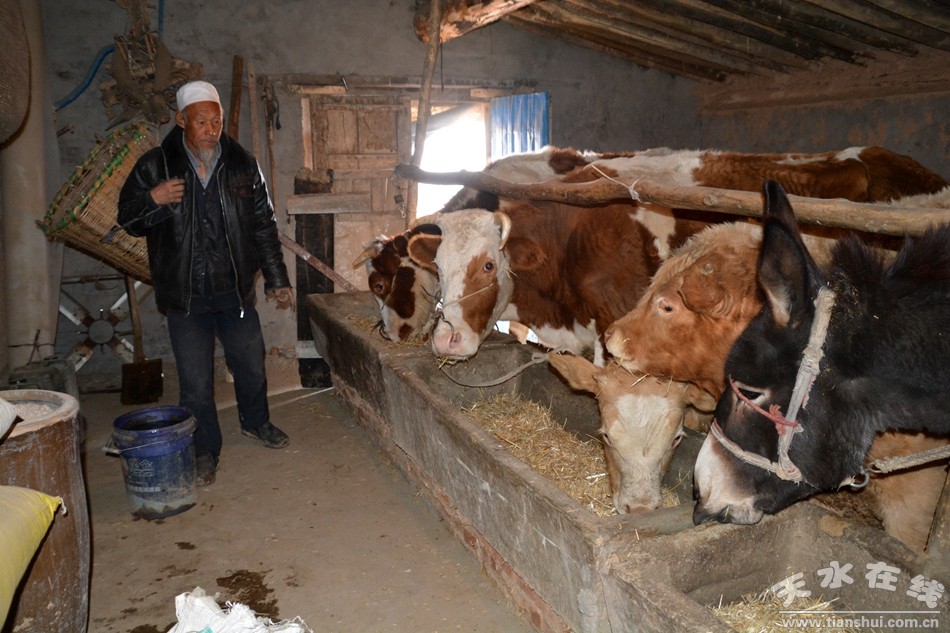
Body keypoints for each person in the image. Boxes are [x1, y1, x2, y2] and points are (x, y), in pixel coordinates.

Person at [118, 80, 295, 486]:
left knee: (251, 366)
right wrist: (154, 199)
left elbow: (263, 225)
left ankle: (256, 422)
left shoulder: (242, 163)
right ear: (181, 120)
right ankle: (204, 449)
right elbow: (127, 218)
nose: (211, 129)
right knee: (196, 383)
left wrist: (276, 278)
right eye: (201, 122)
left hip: (234, 292)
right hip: (185, 298)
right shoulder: (155, 166)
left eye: (216, 121)